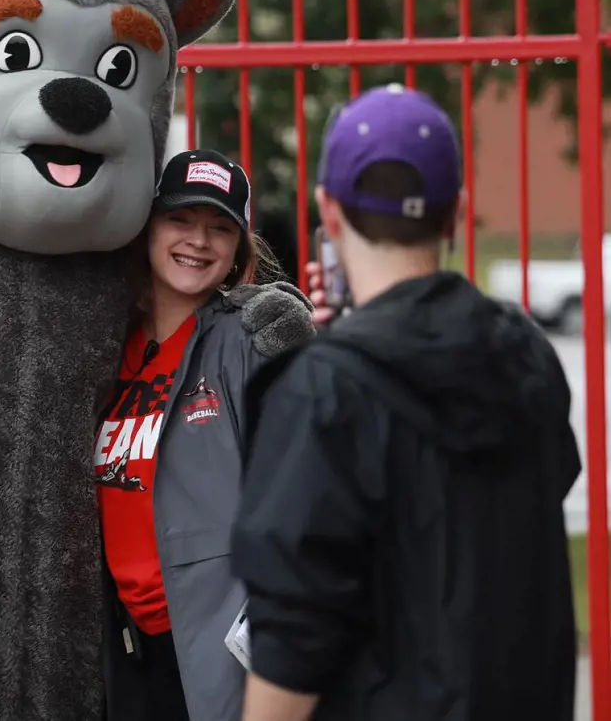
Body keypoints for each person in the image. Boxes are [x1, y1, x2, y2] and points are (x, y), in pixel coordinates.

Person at [231, 84, 581, 721]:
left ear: (328, 213)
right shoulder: (526, 353)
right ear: (455, 213)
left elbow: (293, 641)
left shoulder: (321, 390)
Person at [96, 148, 316, 721]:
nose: (198, 241)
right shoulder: (102, 345)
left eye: (220, 228)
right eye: (181, 220)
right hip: (123, 647)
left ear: (239, 251)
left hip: (216, 646)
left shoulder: (246, 341)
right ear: (147, 228)